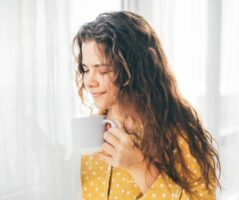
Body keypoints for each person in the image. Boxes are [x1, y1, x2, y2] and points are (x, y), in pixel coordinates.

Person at [73, 11, 220, 200]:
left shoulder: (178, 133)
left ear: (133, 69)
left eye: (102, 70)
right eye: (85, 69)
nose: (88, 81)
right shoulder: (92, 130)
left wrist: (139, 166)